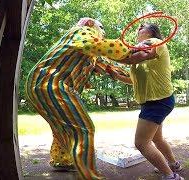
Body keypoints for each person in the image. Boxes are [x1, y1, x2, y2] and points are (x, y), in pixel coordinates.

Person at [25, 17, 132, 179]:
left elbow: (110, 69)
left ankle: (62, 161)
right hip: (50, 84)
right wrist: (129, 51)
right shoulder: (81, 32)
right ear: (90, 24)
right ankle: (89, 176)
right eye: (101, 28)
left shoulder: (90, 55)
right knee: (83, 129)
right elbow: (94, 45)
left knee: (63, 129)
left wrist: (136, 73)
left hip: (40, 85)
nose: (103, 33)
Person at [107, 23, 184, 180]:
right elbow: (133, 80)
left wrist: (107, 52)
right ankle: (173, 164)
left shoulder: (155, 42)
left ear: (152, 32)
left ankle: (170, 176)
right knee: (157, 139)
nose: (139, 28)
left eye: (143, 27)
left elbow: (138, 56)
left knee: (141, 143)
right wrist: (115, 75)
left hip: (157, 102)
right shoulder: (141, 48)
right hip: (156, 101)